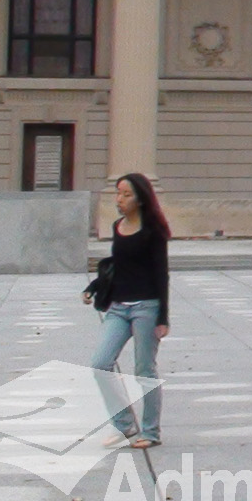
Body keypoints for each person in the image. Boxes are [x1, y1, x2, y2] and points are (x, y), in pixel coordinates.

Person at [85, 173, 169, 449]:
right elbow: (117, 265)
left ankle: (151, 432)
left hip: (147, 307)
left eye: (126, 194)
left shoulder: (153, 232)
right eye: (118, 194)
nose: (120, 199)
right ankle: (125, 425)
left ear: (141, 199)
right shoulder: (118, 226)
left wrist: (163, 318)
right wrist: (95, 287)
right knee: (100, 363)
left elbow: (161, 275)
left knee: (145, 370)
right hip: (119, 308)